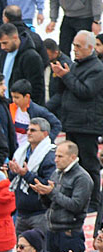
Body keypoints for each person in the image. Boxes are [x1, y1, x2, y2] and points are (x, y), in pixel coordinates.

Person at [45, 30, 103, 211]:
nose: (75, 50)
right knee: (71, 164)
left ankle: (93, 201)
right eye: (74, 46)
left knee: (89, 164)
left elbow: (85, 91)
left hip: (88, 126)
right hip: (71, 123)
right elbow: (64, 93)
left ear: (90, 48)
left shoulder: (97, 68)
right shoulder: (76, 65)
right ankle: (74, 196)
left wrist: (66, 76)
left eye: (78, 46)